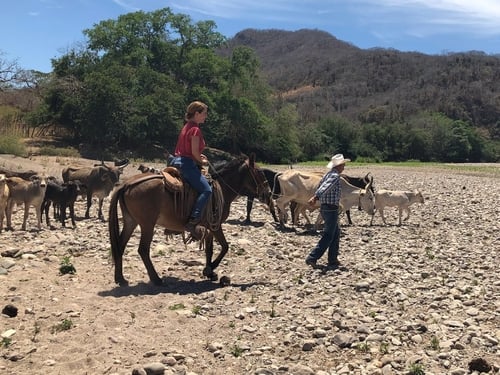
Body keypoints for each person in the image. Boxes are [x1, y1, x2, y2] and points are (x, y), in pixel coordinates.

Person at [170, 101, 211, 239]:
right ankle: (193, 220)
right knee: (207, 190)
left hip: (177, 161)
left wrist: (199, 155)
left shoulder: (186, 126)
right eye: (204, 113)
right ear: (197, 113)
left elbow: (189, 150)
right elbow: (193, 153)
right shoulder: (195, 129)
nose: (206, 116)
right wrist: (202, 161)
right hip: (187, 164)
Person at [305, 153, 350, 270]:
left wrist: (316, 197)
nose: (344, 167)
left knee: (335, 233)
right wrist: (316, 197)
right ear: (338, 166)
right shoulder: (335, 176)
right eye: (343, 165)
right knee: (329, 234)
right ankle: (312, 257)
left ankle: (333, 259)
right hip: (331, 208)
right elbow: (326, 187)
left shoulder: (328, 174)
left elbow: (322, 185)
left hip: (326, 207)